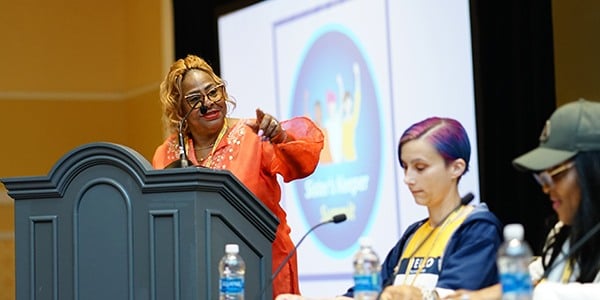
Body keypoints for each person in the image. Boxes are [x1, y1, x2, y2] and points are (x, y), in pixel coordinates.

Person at [152, 54, 325, 297]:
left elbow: (303, 164)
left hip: (264, 263)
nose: (208, 102)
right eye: (194, 99)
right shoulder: (168, 153)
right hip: (198, 273)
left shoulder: (255, 134)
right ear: (179, 110)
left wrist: (281, 138)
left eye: (213, 92)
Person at [276, 117, 503, 300]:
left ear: (456, 168)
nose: (408, 178)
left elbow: (455, 295)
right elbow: (367, 294)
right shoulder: (414, 234)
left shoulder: (477, 228)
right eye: (405, 167)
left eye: (420, 167)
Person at [446, 98, 600, 300]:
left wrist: (538, 292)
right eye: (543, 177)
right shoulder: (564, 233)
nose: (546, 188)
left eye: (556, 175)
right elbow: (531, 276)